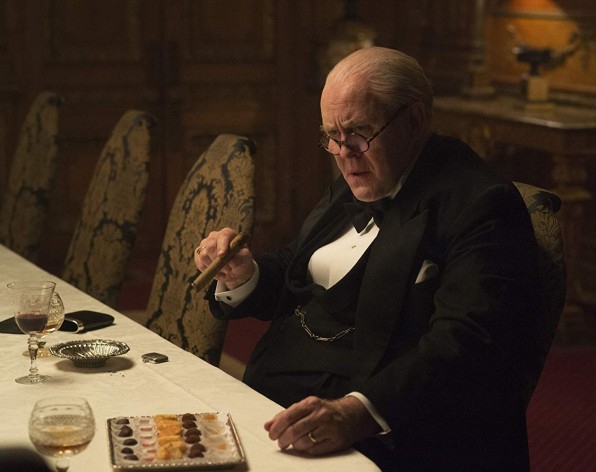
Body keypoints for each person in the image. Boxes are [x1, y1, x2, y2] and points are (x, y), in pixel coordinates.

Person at [194, 46, 547, 471]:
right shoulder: (365, 167)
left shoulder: (481, 203)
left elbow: (467, 343)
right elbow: (302, 266)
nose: (344, 152)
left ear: (414, 121)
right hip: (270, 404)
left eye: (359, 132)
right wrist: (244, 273)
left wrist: (357, 412)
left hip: (386, 435)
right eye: (331, 136)